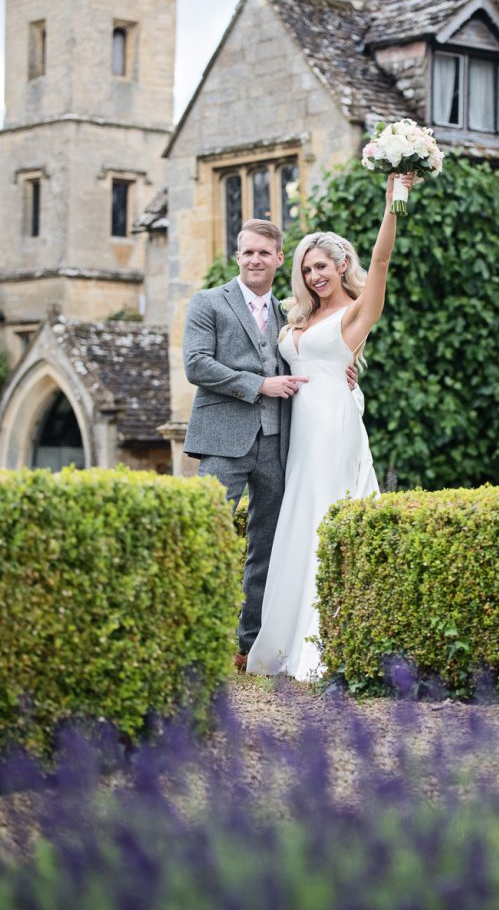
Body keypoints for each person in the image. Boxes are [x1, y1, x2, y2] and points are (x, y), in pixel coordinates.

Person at [247, 174, 414, 681]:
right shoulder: (296, 317)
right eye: (307, 269)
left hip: (332, 425)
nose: (315, 275)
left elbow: (382, 261)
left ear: (342, 266)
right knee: (298, 519)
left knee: (326, 516)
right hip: (300, 430)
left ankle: (325, 643)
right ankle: (283, 641)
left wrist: (394, 204)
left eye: (322, 266)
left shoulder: (357, 313)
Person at [182, 220, 358, 671]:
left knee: (267, 546)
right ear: (237, 257)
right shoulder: (208, 302)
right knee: (209, 535)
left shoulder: (290, 313)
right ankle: (190, 640)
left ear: (280, 259)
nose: (255, 260)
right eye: (247, 253)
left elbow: (318, 354)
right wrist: (260, 383)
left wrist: (347, 373)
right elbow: (197, 364)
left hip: (280, 444)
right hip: (223, 439)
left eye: (264, 253)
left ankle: (249, 646)